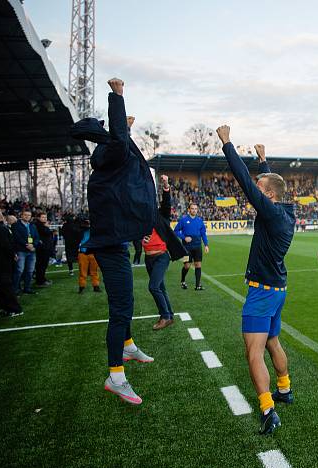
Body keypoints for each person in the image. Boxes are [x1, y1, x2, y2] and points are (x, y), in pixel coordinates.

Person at [71, 77, 156, 405]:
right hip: (108, 246)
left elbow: (119, 142)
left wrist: (127, 130)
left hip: (113, 243)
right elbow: (118, 140)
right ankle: (115, 376)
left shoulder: (104, 170)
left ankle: (129, 345)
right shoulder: (111, 163)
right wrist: (117, 96)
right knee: (120, 309)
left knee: (126, 303)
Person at [216, 124, 296, 435]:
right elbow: (269, 184)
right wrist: (264, 161)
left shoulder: (272, 213)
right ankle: (284, 388)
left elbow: (249, 185)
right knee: (273, 340)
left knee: (253, 351)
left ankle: (267, 408)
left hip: (262, 293)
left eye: (261, 187)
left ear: (270, 196)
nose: (256, 189)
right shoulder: (283, 212)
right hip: (277, 290)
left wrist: (227, 144)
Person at [143, 174, 187, 330]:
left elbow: (166, 202)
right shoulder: (141, 221)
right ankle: (169, 314)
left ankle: (165, 316)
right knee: (160, 287)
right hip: (148, 259)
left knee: (153, 287)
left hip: (162, 256)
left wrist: (166, 185)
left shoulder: (161, 215)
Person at [0, 209, 22, 317]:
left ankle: (15, 309)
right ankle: (6, 307)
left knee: (5, 286)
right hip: (0, 262)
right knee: (1, 286)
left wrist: (12, 255)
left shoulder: (0, 229)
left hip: (2, 263)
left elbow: (6, 245)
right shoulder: (1, 228)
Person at [175, 203, 209, 290]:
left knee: (198, 265)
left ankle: (198, 285)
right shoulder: (183, 220)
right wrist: (184, 237)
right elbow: (176, 231)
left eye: (195, 209)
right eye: (192, 208)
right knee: (187, 265)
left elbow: (203, 234)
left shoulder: (200, 220)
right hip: (186, 247)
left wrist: (206, 245)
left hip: (197, 246)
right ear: (189, 210)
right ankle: (182, 281)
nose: (194, 210)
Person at [11, 209, 39, 295]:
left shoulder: (32, 226)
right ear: (21, 216)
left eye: (29, 215)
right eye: (25, 215)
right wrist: (27, 245)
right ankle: (15, 290)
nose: (27, 217)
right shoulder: (15, 225)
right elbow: (17, 237)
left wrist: (33, 245)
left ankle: (27, 288)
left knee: (30, 271)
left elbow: (37, 237)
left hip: (32, 251)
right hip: (21, 250)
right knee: (19, 270)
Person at [76, 219, 101, 293]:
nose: (88, 224)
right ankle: (81, 287)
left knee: (94, 271)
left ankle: (96, 286)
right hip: (83, 253)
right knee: (82, 272)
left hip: (93, 253)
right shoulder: (80, 230)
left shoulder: (94, 230)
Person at [34, 212, 53, 287]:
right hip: (42, 248)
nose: (45, 218)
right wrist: (47, 227)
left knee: (44, 265)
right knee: (41, 265)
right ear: (39, 218)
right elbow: (46, 232)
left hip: (46, 247)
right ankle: (40, 281)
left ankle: (43, 279)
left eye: (45, 217)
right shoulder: (38, 225)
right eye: (43, 217)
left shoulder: (42, 225)